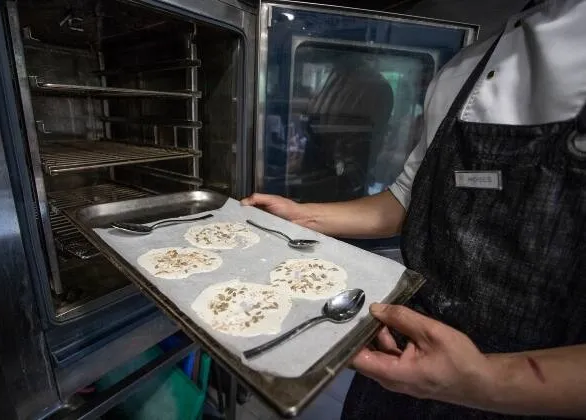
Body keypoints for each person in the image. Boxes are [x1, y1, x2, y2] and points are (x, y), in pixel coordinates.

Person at [242, 0, 586, 418]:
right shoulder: (463, 70)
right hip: (404, 355)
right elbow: (407, 197)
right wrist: (303, 215)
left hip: (534, 398)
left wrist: (490, 380)